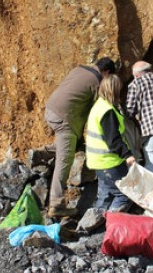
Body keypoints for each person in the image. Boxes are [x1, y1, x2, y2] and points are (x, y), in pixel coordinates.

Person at [44, 57, 116, 217]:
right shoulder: (98, 82)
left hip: (51, 110)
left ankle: (44, 153)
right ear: (107, 73)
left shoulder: (78, 69)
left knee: (69, 145)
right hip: (65, 119)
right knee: (65, 161)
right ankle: (56, 204)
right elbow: (99, 110)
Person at [85, 75, 135, 212]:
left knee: (105, 196)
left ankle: (91, 228)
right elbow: (113, 139)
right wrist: (127, 155)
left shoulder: (99, 106)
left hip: (99, 162)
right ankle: (112, 225)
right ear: (114, 90)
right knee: (124, 195)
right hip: (110, 162)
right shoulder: (107, 112)